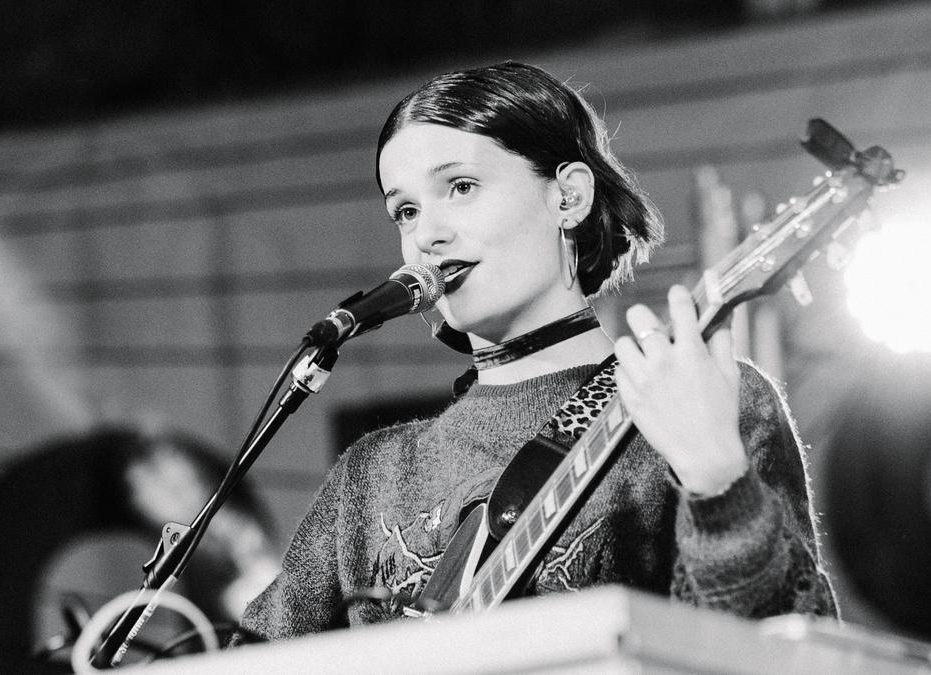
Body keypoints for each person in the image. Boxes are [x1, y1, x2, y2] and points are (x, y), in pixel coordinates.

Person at [239, 61, 837, 640]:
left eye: (462, 187)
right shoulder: (371, 479)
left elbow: (790, 648)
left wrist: (718, 485)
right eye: (407, 210)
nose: (426, 234)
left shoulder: (694, 398)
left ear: (569, 197)